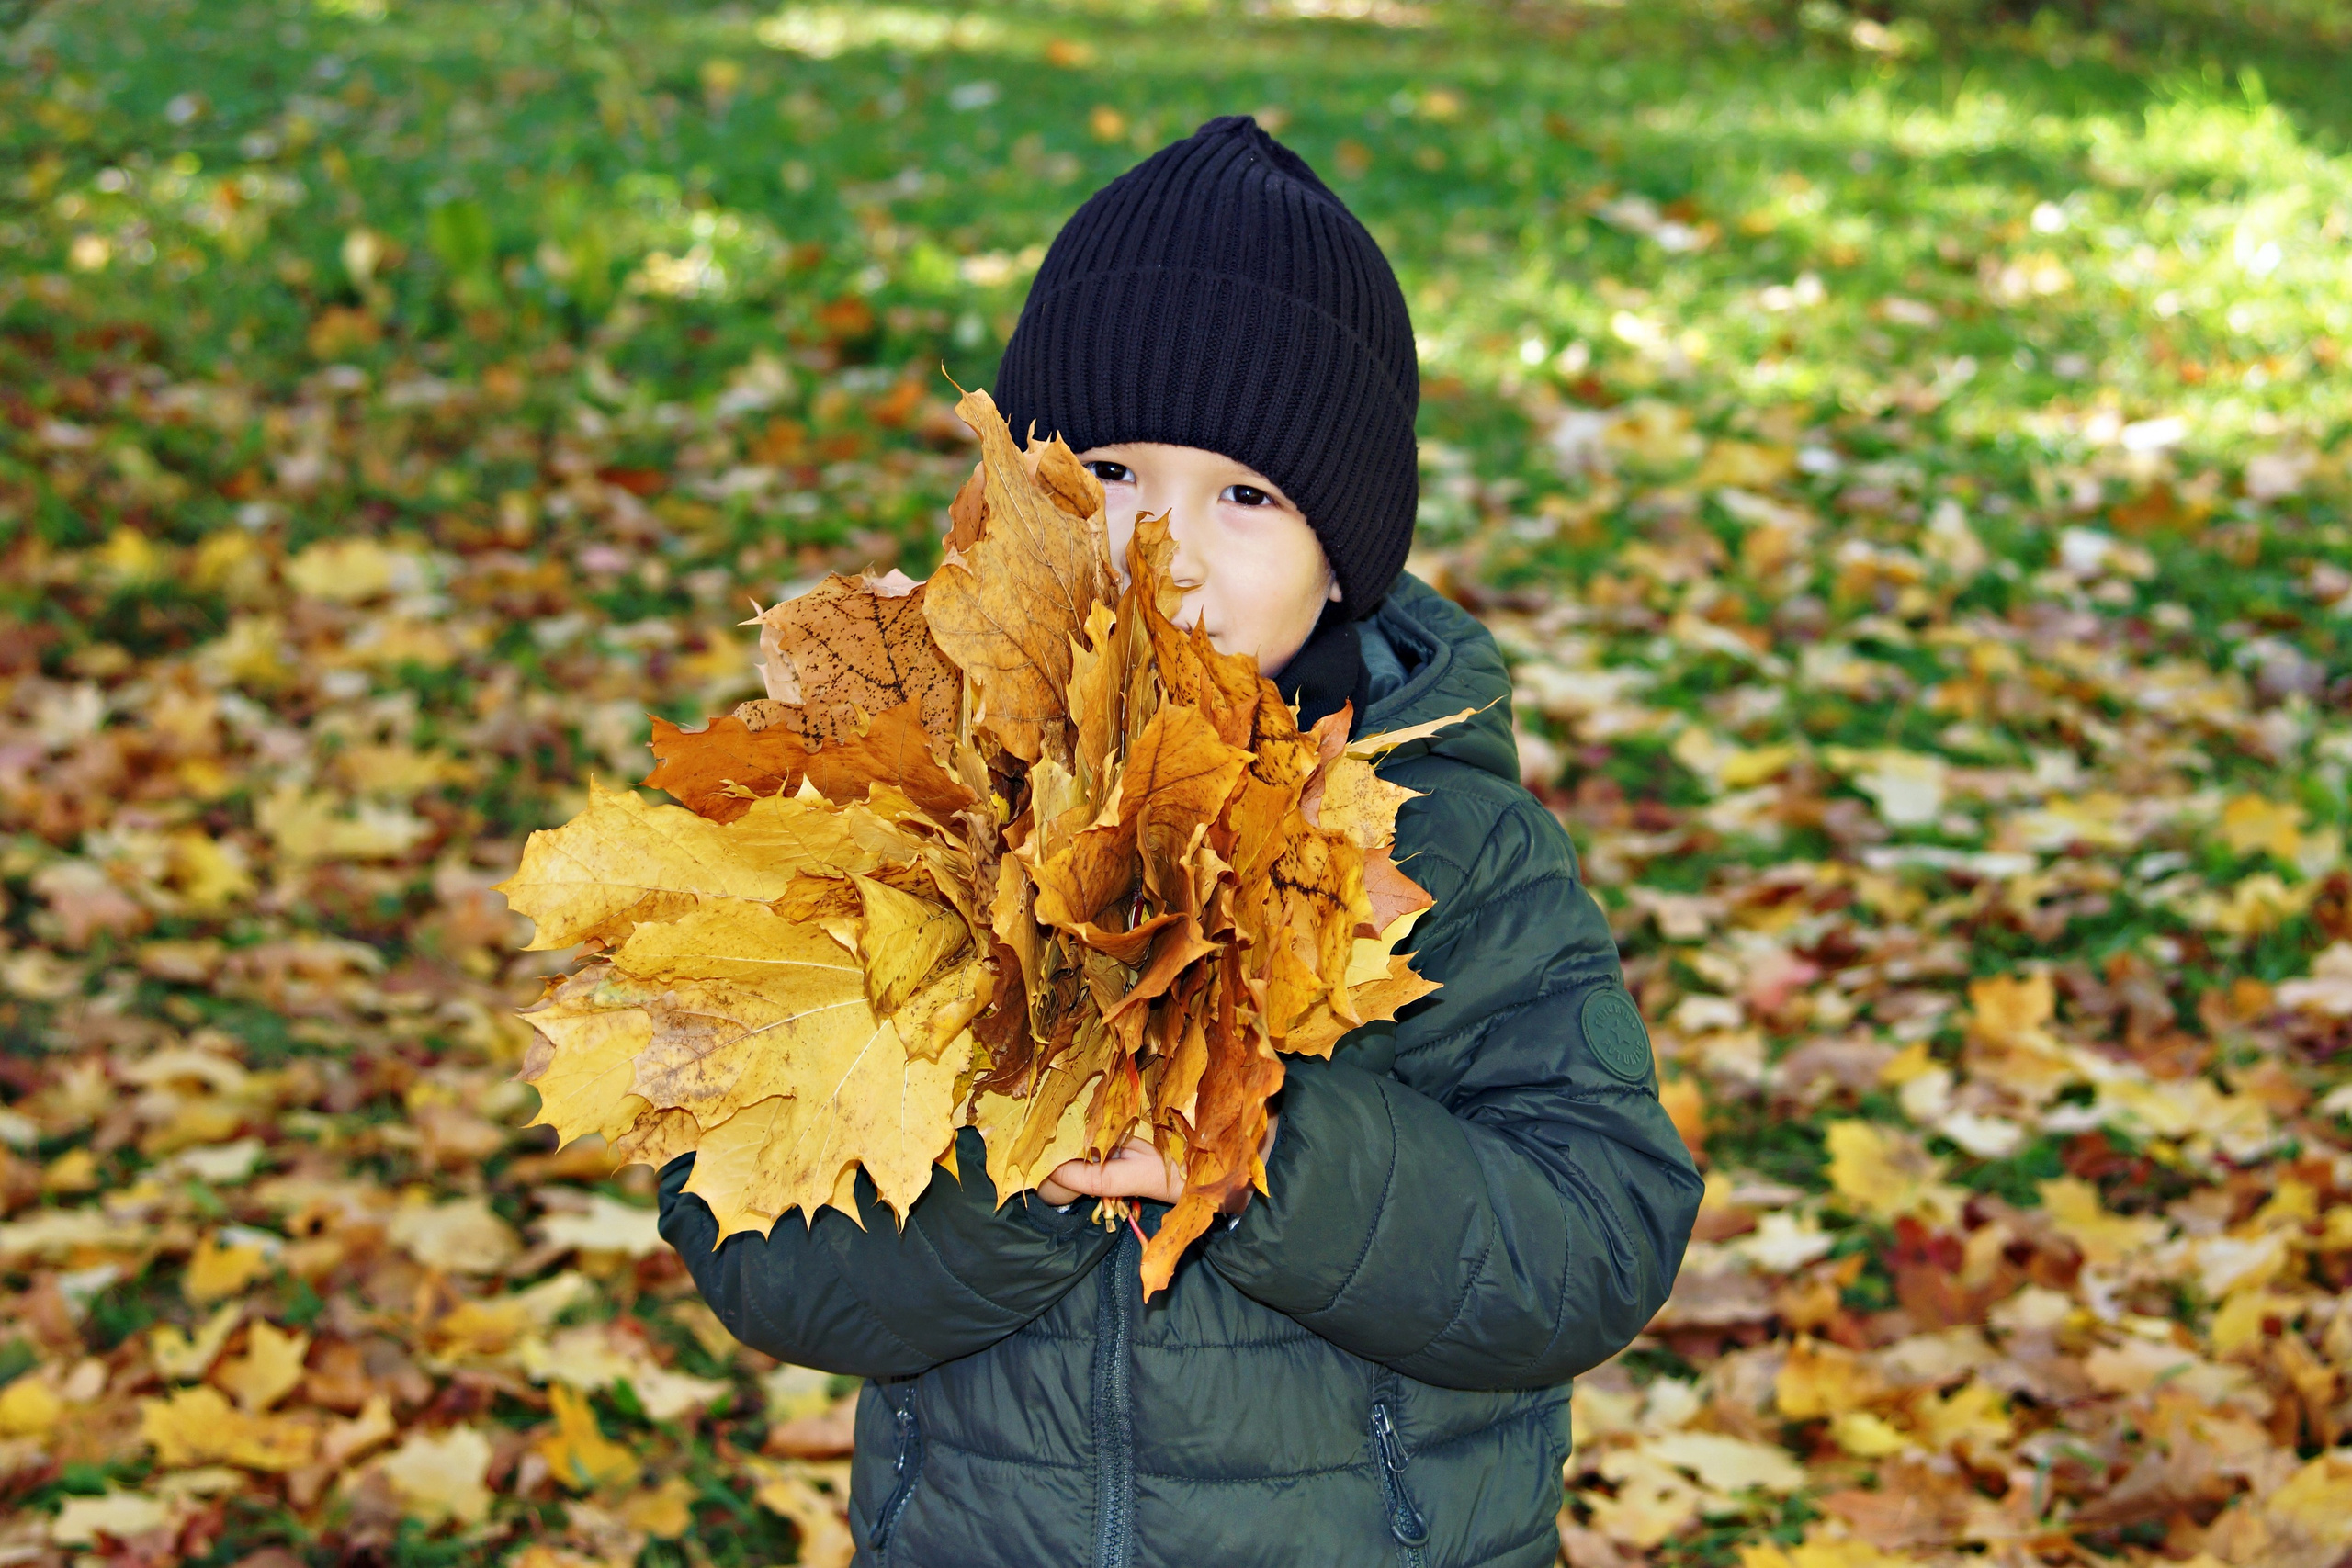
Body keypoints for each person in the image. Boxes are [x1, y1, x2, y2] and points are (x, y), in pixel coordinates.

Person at [658, 115, 1702, 1568]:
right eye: (1117, 472)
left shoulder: (1455, 847)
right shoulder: (912, 814)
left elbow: (1594, 1237)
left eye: (1249, 498)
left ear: (1347, 557)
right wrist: (1017, 1179)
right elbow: (763, 1251)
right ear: (1026, 493)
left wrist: (1266, 1159)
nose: (1171, 548)